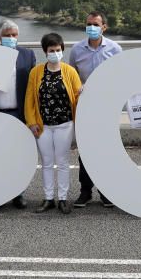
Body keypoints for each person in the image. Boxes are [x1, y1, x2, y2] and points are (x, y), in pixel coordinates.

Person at [68, 11, 123, 208]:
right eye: (89, 24)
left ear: (104, 27)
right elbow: (70, 76)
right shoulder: (76, 50)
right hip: (84, 107)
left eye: (95, 24)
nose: (91, 27)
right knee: (85, 150)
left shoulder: (115, 49)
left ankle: (106, 191)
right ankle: (85, 191)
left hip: (107, 107)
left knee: (106, 149)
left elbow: (121, 76)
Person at [25, 33, 83, 214]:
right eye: (51, 50)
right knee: (47, 162)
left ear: (62, 50)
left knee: (63, 162)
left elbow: (77, 96)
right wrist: (32, 121)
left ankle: (63, 199)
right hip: (43, 126)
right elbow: (29, 100)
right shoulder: (35, 73)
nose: (55, 53)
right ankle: (48, 198)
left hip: (65, 124)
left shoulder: (70, 71)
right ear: (45, 51)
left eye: (58, 50)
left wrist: (82, 93)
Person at [0, 18, 37, 209]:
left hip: (19, 114)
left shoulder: (27, 55)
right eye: (7, 35)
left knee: (17, 157)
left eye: (14, 35)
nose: (11, 38)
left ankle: (18, 194)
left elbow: (33, 87)